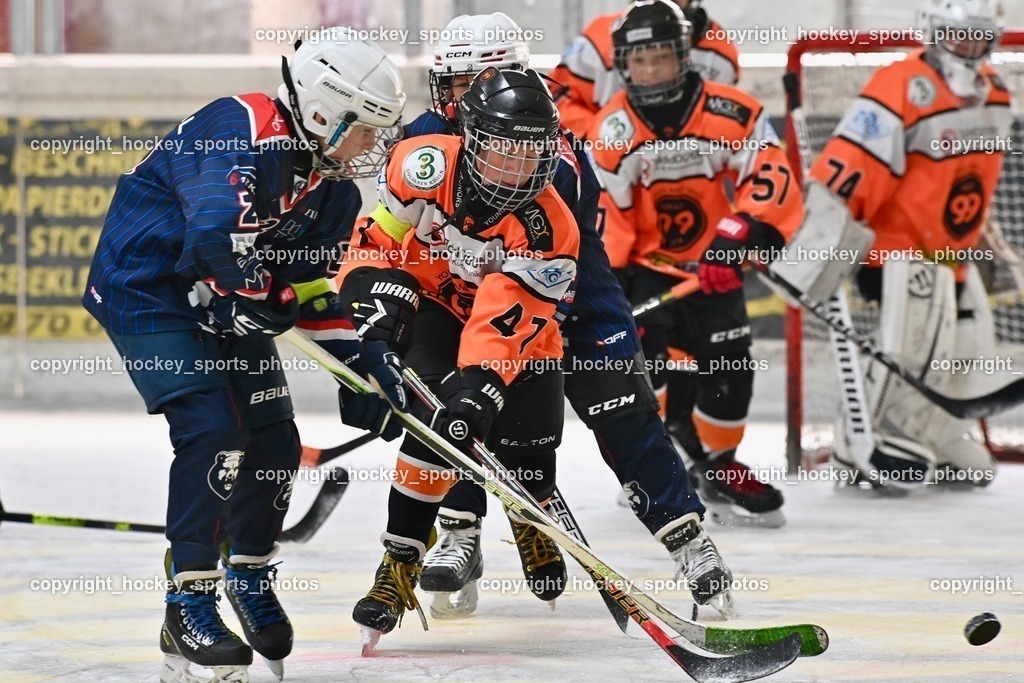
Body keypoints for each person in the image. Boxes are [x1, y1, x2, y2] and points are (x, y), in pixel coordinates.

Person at [82, 31, 406, 682]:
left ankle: (249, 570)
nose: (373, 146)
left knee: (275, 438)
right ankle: (188, 600)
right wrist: (261, 296)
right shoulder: (241, 125)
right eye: (366, 130)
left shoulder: (333, 189)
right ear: (322, 111)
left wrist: (363, 364)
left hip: (225, 289)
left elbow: (308, 287)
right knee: (213, 429)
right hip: (148, 287)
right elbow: (213, 237)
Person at [402, 12, 735, 622]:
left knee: (626, 416)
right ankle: (459, 528)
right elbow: (392, 232)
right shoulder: (425, 139)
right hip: (473, 310)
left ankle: (690, 542)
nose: (448, 102)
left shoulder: (551, 145)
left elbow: (544, 259)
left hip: (569, 304)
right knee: (456, 411)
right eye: (445, 86)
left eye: (460, 87)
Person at [338, 66, 581, 651]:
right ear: (471, 137)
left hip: (512, 331)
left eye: (530, 153)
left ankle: (527, 512)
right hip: (434, 308)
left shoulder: (551, 227)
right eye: (501, 149)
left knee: (527, 436)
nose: (515, 168)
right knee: (430, 427)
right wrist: (374, 296)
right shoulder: (421, 165)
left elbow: (506, 320)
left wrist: (480, 387)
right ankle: (399, 564)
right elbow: (374, 241)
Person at [590, 0, 804, 527]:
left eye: (659, 57)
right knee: (648, 367)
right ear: (623, 64)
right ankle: (664, 464)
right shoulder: (612, 128)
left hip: (713, 266)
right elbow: (604, 214)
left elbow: (770, 175)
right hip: (645, 268)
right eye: (638, 61)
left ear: (684, 56)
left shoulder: (731, 111)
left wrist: (737, 235)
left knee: (732, 373)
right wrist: (610, 285)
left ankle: (721, 464)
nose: (649, 70)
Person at [811, 0, 1012, 490]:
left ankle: (938, 434)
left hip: (954, 254)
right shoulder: (900, 84)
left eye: (979, 36)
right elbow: (849, 165)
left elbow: (979, 181)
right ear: (932, 31)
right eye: (958, 35)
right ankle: (860, 441)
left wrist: (986, 242)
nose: (969, 47)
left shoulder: (997, 94)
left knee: (963, 347)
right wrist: (832, 240)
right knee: (904, 350)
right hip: (896, 250)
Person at [549, 0, 740, 140]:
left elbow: (720, 119)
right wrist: (605, 136)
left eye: (663, 56)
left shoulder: (719, 52)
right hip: (616, 168)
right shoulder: (595, 42)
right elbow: (557, 103)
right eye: (639, 60)